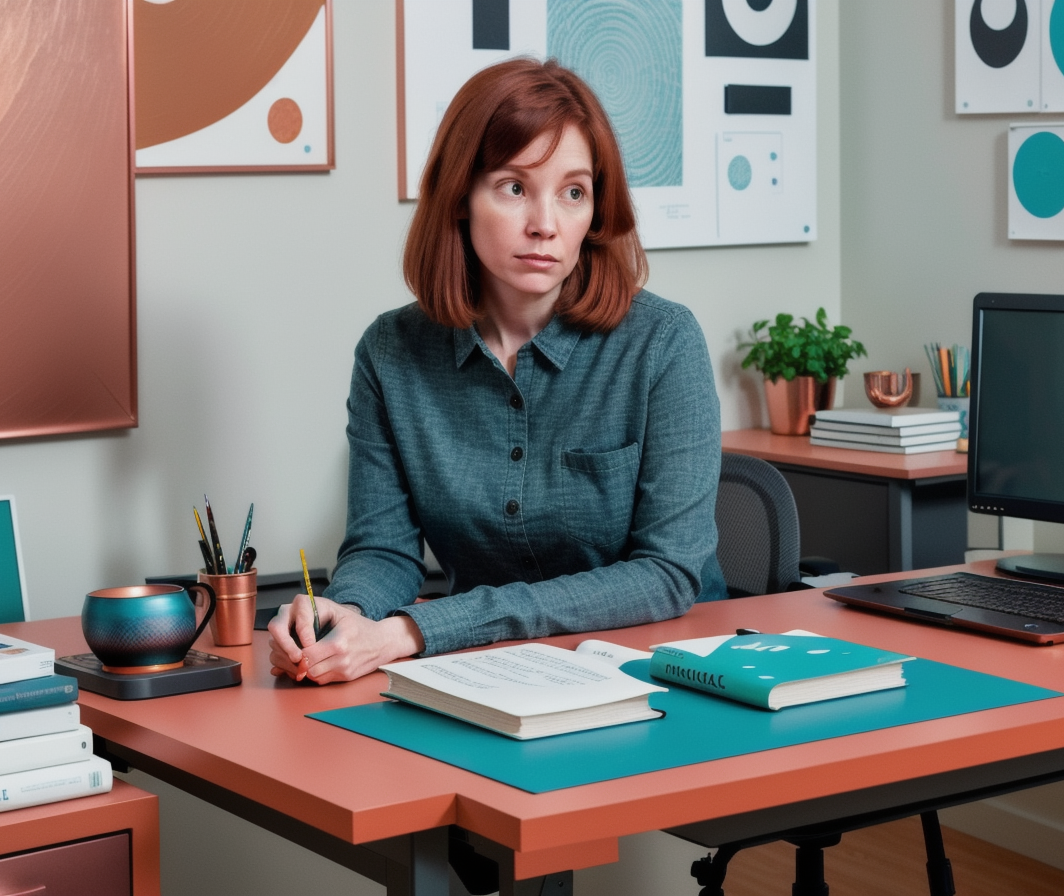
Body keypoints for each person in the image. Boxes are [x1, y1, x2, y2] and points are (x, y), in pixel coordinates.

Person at [268, 58, 725, 683]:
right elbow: (383, 550)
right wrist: (344, 615)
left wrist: (417, 629)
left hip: (667, 673)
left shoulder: (663, 344)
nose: (545, 225)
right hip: (491, 677)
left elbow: (668, 575)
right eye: (514, 187)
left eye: (573, 192)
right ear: (460, 196)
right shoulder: (390, 352)